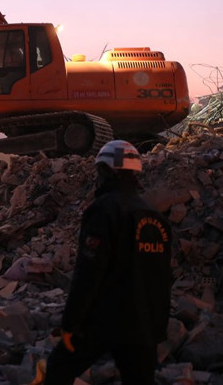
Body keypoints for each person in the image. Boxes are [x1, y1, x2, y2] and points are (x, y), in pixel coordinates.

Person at [37, 140, 172, 385]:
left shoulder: (104, 210)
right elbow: (162, 278)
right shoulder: (155, 217)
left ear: (109, 172)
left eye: (100, 171)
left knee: (58, 370)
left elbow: (89, 271)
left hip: (104, 321)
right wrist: (156, 328)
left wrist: (70, 321)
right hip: (143, 326)